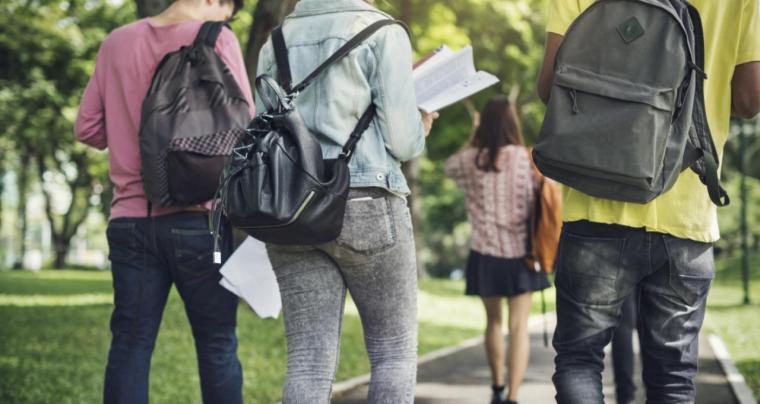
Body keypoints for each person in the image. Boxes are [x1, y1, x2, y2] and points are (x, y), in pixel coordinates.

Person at [537, 0, 760, 402]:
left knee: (579, 360)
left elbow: (548, 85)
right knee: (673, 379)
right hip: (687, 207)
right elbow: (748, 99)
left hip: (596, 202)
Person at [255, 0, 437, 403]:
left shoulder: (277, 40)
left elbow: (263, 128)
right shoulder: (383, 32)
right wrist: (421, 124)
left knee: (307, 360)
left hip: (292, 209)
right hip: (367, 200)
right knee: (393, 352)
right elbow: (403, 142)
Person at [75, 0, 255, 403]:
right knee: (217, 344)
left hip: (131, 223)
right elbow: (248, 126)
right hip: (201, 224)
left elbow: (87, 128)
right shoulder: (219, 38)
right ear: (217, 3)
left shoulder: (116, 42)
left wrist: (127, 128)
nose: (226, 20)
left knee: (130, 344)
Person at [445, 97, 551, 404]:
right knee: (518, 327)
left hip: (485, 253)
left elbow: (448, 167)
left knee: (492, 323)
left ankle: (496, 388)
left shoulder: (470, 160)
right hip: (523, 255)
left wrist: (473, 135)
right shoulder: (527, 158)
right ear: (511, 123)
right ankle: (514, 396)